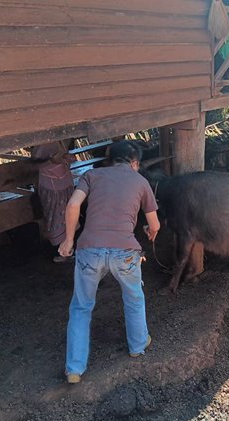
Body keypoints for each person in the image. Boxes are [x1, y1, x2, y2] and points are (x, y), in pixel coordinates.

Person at [59, 140, 161, 384]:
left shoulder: (91, 175)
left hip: (89, 250)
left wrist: (69, 240)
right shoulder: (141, 181)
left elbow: (73, 204)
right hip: (125, 252)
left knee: (81, 307)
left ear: (109, 160)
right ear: (134, 163)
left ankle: (74, 369)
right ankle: (137, 345)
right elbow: (155, 224)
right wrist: (149, 231)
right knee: (134, 298)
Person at [31, 140, 76, 263]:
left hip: (57, 185)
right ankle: (65, 250)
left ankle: (65, 251)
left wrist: (59, 159)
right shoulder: (54, 142)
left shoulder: (51, 143)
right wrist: (56, 160)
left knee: (60, 217)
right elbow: (35, 165)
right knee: (62, 217)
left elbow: (35, 162)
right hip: (57, 185)